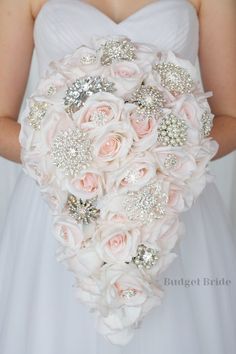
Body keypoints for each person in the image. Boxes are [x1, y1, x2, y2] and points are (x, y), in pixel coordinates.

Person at [0, 0, 236, 353]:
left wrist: (158, 159)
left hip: (169, 206)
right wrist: (73, 163)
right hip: (60, 209)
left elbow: (230, 118)